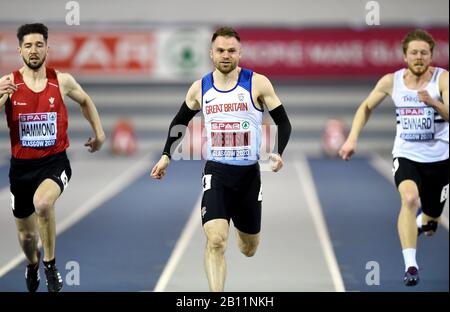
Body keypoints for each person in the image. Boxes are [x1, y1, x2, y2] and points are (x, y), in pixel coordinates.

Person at [151, 27, 292, 291]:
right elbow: (179, 121)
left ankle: (242, 228)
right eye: (220, 50)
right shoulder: (200, 88)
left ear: (240, 53)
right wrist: (166, 155)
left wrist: (279, 152)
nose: (225, 55)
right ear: (211, 53)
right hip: (216, 172)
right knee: (216, 240)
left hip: (249, 176)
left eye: (231, 50)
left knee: (249, 248)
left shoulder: (257, 82)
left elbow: (283, 123)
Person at [0, 23, 105, 292]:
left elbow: (85, 101)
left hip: (54, 162)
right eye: (28, 45)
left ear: (47, 48)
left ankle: (50, 266)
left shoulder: (62, 80)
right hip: (21, 169)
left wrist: (100, 134)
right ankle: (33, 264)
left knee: (43, 204)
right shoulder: (8, 83)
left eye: (38, 45)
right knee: (26, 236)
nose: (33, 51)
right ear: (19, 49)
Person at [339, 29, 448, 287]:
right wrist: (352, 138)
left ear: (431, 55)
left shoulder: (442, 80)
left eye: (424, 53)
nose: (419, 57)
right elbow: (365, 106)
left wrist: (433, 103)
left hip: (441, 158)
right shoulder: (392, 81)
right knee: (409, 198)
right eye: (414, 53)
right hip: (406, 154)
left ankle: (425, 221)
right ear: (405, 56)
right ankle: (411, 265)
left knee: (433, 219)